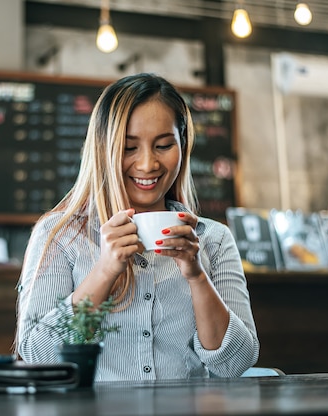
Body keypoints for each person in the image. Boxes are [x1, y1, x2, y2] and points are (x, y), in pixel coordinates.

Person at [15, 73, 259, 381]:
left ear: (182, 146)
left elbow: (233, 365)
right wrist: (105, 271)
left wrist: (196, 276)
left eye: (163, 145)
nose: (148, 165)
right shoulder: (60, 236)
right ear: (103, 150)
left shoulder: (214, 240)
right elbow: (38, 355)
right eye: (130, 148)